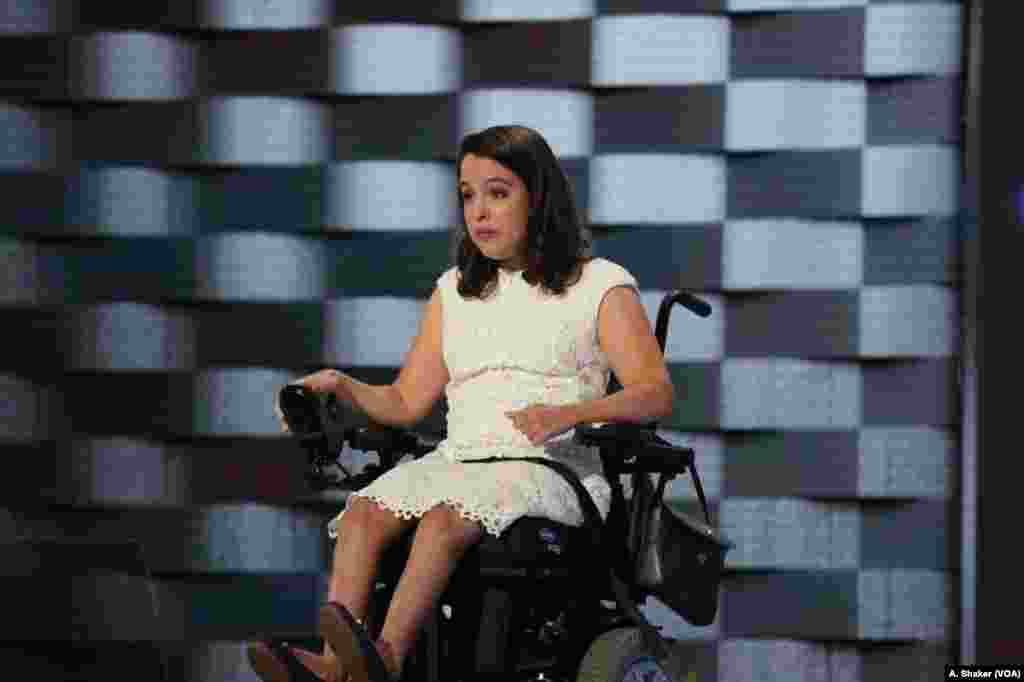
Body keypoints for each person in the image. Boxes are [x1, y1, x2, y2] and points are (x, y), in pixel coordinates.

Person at [248, 125, 675, 682]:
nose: (480, 212)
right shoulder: (455, 290)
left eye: (498, 193)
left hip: (548, 467)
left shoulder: (599, 284)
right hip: (463, 461)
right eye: (468, 195)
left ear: (538, 197)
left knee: (445, 522)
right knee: (364, 513)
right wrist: (344, 386)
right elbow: (405, 401)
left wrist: (570, 415)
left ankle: (388, 657)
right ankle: (336, 666)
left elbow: (655, 391)